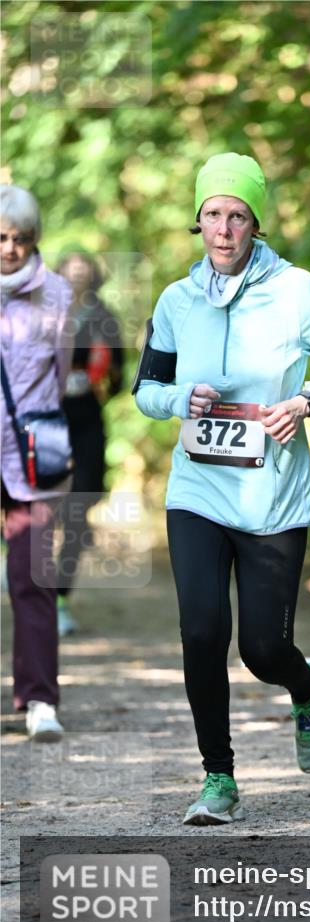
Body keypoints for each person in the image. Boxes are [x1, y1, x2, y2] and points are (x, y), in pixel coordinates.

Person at [134, 152, 310, 825]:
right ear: (198, 220)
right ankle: (218, 778)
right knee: (201, 630)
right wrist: (180, 400)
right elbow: (146, 390)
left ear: (255, 223)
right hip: (198, 492)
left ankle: (307, 686)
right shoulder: (176, 301)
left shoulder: (296, 291)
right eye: (212, 213)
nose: (224, 228)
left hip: (273, 497)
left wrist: (307, 401)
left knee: (263, 651)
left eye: (238, 215)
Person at [0, 184, 73, 741]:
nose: (9, 248)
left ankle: (40, 699)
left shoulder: (58, 295)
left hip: (30, 457)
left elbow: (60, 376)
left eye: (20, 238)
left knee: (32, 578)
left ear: (34, 239)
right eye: (1, 237)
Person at [54, 249, 124, 636]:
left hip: (87, 421)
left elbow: (120, 374)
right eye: (71, 269)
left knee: (79, 507)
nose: (77, 275)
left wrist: (101, 378)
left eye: (83, 270)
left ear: (93, 276)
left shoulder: (104, 317)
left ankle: (59, 599)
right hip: (44, 420)